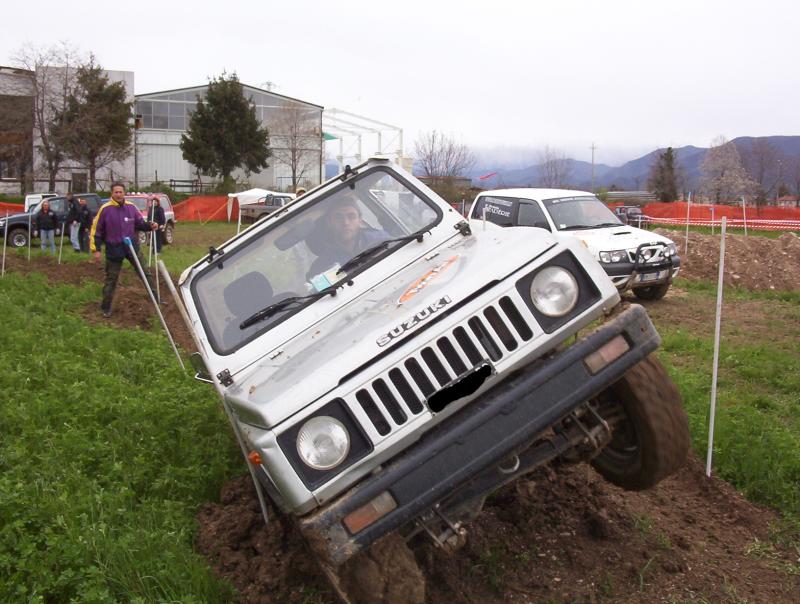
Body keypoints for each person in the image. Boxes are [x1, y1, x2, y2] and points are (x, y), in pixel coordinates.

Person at [90, 182, 158, 317]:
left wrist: (150, 226)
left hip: (132, 246)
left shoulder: (131, 207)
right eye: (116, 192)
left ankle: (156, 299)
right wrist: (96, 249)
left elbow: (140, 224)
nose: (119, 194)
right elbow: (96, 231)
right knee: (111, 279)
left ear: (124, 193)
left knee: (145, 272)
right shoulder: (105, 209)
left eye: (121, 192)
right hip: (114, 249)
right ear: (112, 194)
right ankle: (106, 308)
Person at [307, 195, 388, 278]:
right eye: (338, 217)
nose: (345, 222)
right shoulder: (322, 267)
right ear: (329, 222)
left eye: (351, 216)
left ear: (360, 221)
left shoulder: (381, 240)